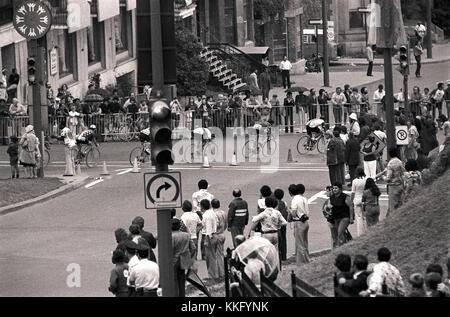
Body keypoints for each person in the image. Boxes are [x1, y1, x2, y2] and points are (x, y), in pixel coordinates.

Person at [377, 148, 405, 217]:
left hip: (393, 186)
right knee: (400, 204)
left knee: (392, 206)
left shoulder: (390, 164)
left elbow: (388, 178)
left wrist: (382, 177)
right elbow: (403, 173)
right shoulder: (400, 162)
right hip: (400, 185)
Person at [172, 218, 196, 297]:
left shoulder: (170, 236)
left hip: (174, 260)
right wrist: (189, 256)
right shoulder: (186, 235)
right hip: (184, 259)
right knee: (182, 279)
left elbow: (170, 249)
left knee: (174, 280)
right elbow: (193, 248)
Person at [288, 184, 310, 264]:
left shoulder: (295, 200)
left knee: (299, 243)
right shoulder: (304, 199)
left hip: (298, 222)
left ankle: (301, 262)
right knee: (305, 242)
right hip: (306, 221)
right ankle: (307, 259)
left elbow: (294, 213)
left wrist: (289, 212)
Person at [201, 199, 219, 279]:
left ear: (202, 206)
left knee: (210, 257)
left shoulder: (206, 215)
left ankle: (212, 276)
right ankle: (215, 274)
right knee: (213, 256)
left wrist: (207, 240)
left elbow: (208, 229)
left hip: (209, 236)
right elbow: (217, 222)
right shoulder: (212, 213)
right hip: (215, 234)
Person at [212, 199, 227, 278]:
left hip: (216, 234)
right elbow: (225, 224)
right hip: (222, 234)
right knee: (220, 254)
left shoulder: (213, 214)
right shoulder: (223, 213)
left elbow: (216, 225)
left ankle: (219, 273)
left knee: (215, 255)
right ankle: (222, 272)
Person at [351, 167, 367, 237]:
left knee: (359, 217)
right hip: (364, 199)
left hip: (357, 199)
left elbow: (353, 192)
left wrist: (351, 201)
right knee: (365, 217)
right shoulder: (365, 180)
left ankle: (360, 233)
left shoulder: (354, 181)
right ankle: (366, 231)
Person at [274, 189, 288, 261]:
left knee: (278, 241)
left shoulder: (276, 204)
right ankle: (284, 256)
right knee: (283, 239)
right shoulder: (284, 203)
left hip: (277, 225)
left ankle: (278, 257)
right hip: (284, 224)